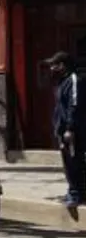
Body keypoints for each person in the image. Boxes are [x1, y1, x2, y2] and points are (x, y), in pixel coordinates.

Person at [46, 51, 86, 208]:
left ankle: (76, 195)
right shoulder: (63, 82)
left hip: (73, 131)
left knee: (75, 162)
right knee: (69, 163)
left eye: (53, 65)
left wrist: (70, 128)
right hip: (63, 131)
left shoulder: (74, 80)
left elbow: (73, 105)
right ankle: (74, 191)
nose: (51, 68)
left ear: (62, 65)